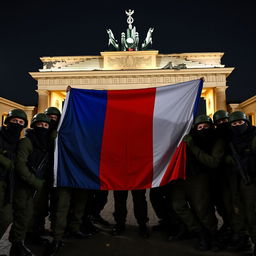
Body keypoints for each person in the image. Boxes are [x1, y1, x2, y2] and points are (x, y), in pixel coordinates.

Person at [170, 114, 224, 251]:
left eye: (206, 126)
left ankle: (213, 236)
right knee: (178, 205)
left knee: (202, 209)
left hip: (199, 177)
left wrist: (193, 146)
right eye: (200, 127)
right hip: (181, 177)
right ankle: (200, 232)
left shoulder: (215, 140)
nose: (203, 129)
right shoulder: (189, 136)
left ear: (211, 127)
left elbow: (212, 162)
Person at [8, 113, 51, 256]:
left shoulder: (44, 143)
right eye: (40, 124)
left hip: (36, 185)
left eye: (46, 125)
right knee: (22, 214)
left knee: (34, 213)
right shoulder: (27, 141)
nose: (43, 127)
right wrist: (35, 181)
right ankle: (16, 245)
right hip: (24, 185)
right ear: (34, 125)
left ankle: (32, 236)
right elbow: (20, 166)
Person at [26, 107, 61, 244]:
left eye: (54, 118)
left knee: (46, 207)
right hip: (37, 178)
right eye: (48, 118)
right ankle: (32, 233)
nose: (51, 121)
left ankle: (40, 229)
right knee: (35, 207)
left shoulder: (55, 135)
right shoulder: (32, 139)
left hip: (52, 176)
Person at [226, 111, 256, 256]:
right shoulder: (231, 140)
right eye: (234, 124)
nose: (237, 126)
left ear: (246, 123)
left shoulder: (253, 136)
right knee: (239, 211)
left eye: (240, 123)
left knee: (252, 213)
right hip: (237, 180)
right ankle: (244, 240)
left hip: (251, 179)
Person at [0, 109, 28, 243]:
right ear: (7, 122)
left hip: (8, 183)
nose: (17, 124)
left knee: (6, 217)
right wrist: (8, 162)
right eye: (14, 121)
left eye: (20, 122)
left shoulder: (19, 142)